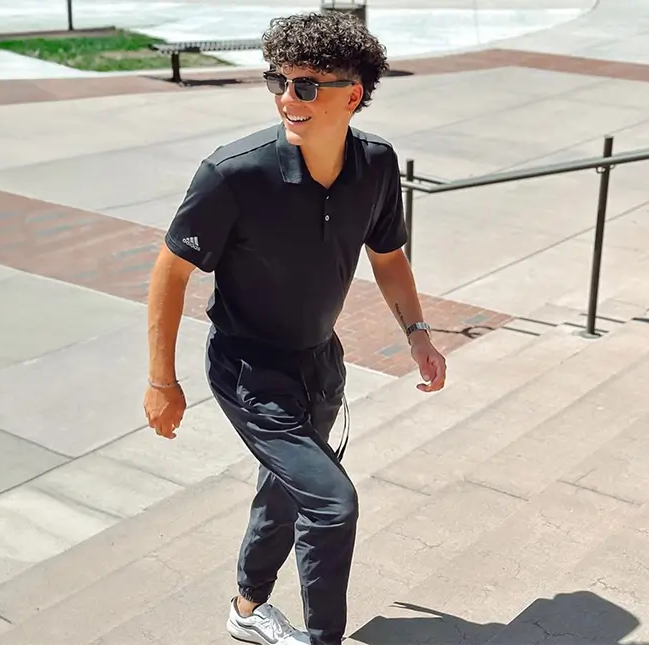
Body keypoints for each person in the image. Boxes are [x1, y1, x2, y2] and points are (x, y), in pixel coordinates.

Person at [144, 11, 447, 645]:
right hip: (248, 368)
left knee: (285, 492)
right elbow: (169, 274)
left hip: (320, 361)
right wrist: (161, 382)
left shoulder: (376, 165)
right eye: (277, 80)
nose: (288, 97)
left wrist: (417, 333)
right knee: (331, 505)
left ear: (352, 95)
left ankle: (248, 611)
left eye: (307, 86)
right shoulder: (234, 174)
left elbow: (387, 258)